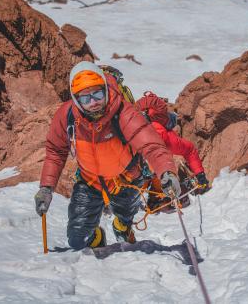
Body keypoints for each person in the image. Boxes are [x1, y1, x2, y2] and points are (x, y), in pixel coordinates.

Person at [34, 62, 181, 250]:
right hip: (90, 180)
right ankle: (95, 237)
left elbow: (151, 145)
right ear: (75, 99)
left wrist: (167, 172)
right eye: (86, 98)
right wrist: (46, 188)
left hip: (126, 178)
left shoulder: (123, 112)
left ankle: (122, 228)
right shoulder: (67, 116)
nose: (94, 102)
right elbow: (56, 152)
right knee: (77, 239)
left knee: (125, 216)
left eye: (98, 94)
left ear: (105, 88)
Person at [135, 92, 211, 212]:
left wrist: (136, 109)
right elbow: (190, 150)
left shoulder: (162, 130)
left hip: (139, 155)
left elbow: (189, 150)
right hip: (149, 158)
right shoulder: (166, 134)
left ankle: (152, 197)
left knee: (149, 175)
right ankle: (153, 197)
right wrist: (200, 174)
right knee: (158, 173)